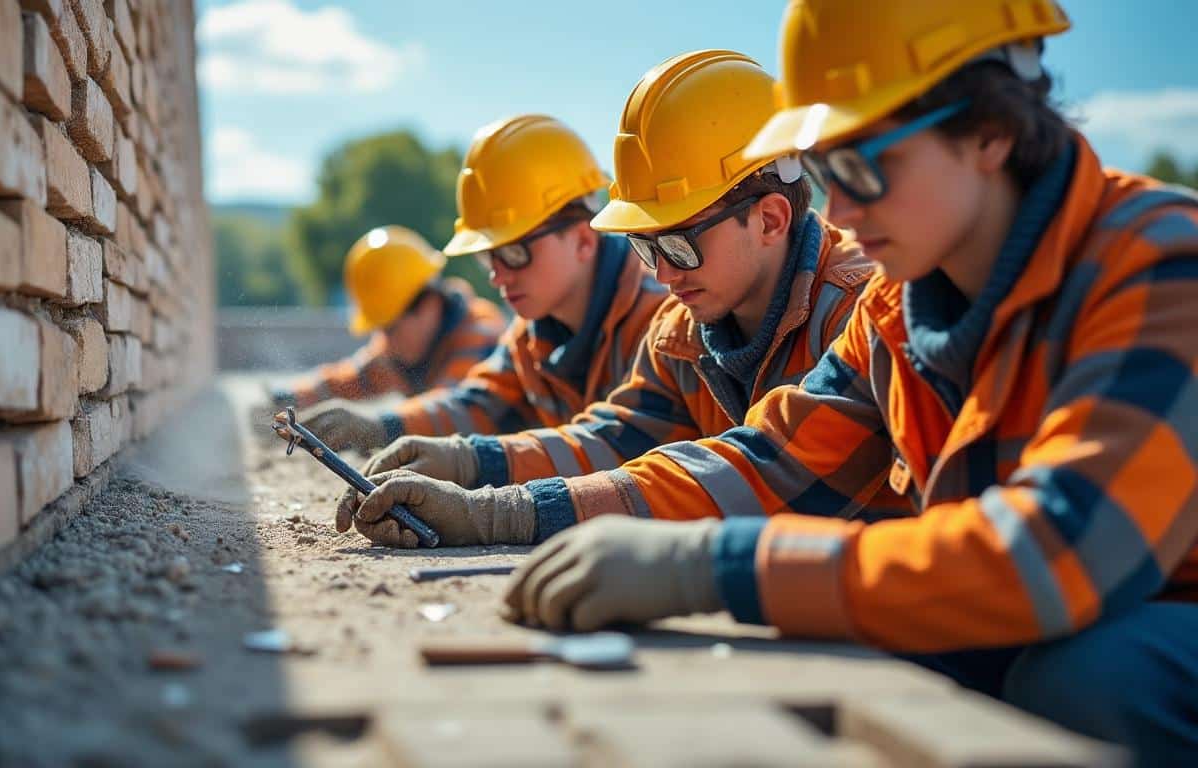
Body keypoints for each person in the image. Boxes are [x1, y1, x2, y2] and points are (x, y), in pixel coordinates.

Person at [484, 1, 1198, 762]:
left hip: (1146, 614)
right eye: (826, 172)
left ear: (992, 129)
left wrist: (713, 568)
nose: (843, 212)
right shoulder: (898, 306)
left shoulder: (1159, 265)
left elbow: (1053, 554)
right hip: (1049, 611)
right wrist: (519, 509)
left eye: (861, 167)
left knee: (1090, 679)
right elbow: (768, 463)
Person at [341, 50, 904, 547]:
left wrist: (497, 512)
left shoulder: (855, 307)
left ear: (771, 219)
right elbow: (613, 440)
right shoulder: (681, 332)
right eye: (645, 244)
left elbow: (770, 467)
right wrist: (471, 462)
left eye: (679, 245)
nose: (662, 271)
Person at [277, 115, 667, 453]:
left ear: (583, 239)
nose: (497, 275)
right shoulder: (529, 338)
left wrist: (475, 467)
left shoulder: (658, 322)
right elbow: (473, 404)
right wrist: (381, 428)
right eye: (488, 257)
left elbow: (620, 445)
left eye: (514, 253)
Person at [269, 225, 505, 409]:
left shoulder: (481, 338)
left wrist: (383, 427)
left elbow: (451, 410)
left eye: (390, 328)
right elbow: (348, 379)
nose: (385, 340)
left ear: (429, 304)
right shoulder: (405, 352)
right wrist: (288, 397)